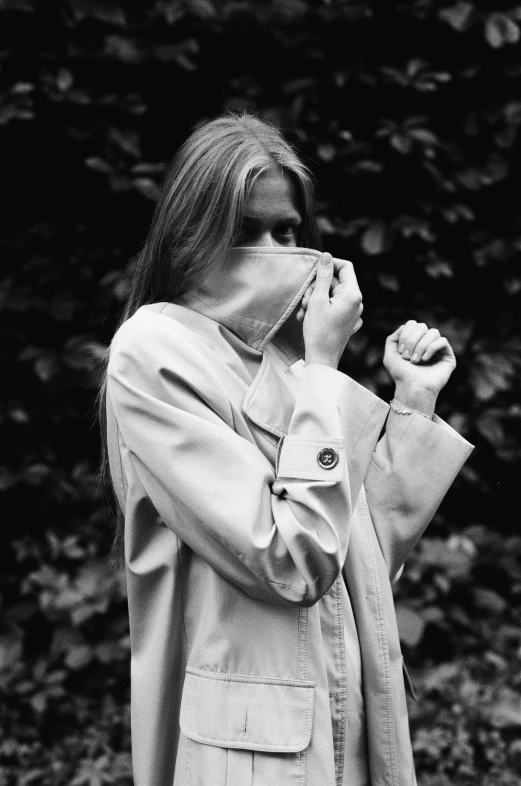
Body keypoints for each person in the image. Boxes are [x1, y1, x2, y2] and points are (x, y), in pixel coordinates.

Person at [101, 112, 473, 786]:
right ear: (191, 233)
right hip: (252, 757)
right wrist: (323, 372)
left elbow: (355, 557)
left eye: (287, 231)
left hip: (353, 717)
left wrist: (412, 403)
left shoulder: (283, 351)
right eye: (243, 231)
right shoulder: (154, 352)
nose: (274, 251)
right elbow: (289, 562)